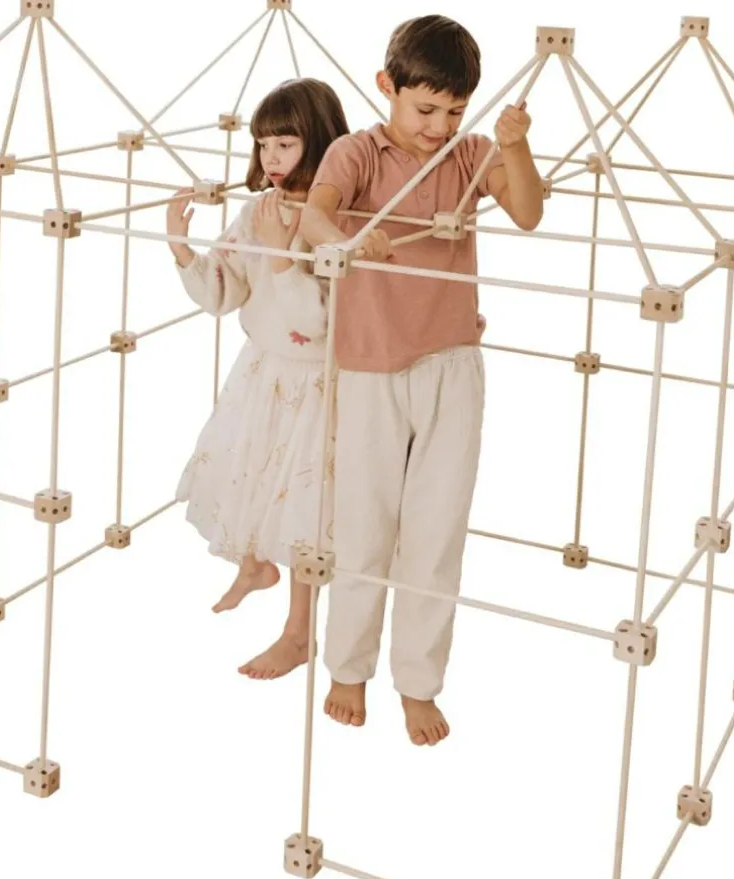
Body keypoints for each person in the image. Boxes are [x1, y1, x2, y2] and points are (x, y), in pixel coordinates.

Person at [299, 15, 544, 745]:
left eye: (454, 111)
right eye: (425, 109)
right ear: (388, 86)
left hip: (450, 363)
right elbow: (313, 219)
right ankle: (348, 667)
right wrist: (351, 239)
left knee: (437, 532)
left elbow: (528, 213)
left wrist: (513, 144)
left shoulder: (470, 155)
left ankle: (418, 681)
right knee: (364, 525)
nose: (439, 127)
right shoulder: (356, 152)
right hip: (370, 366)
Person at [168, 79, 350, 680]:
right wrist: (182, 247)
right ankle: (253, 565)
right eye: (264, 145)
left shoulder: (337, 218)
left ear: (318, 141)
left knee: (304, 503)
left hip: (318, 382)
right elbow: (224, 292)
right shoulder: (258, 211)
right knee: (250, 471)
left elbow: (318, 321)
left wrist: (280, 253)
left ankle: (298, 633)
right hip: (263, 372)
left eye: (286, 144)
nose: (272, 158)